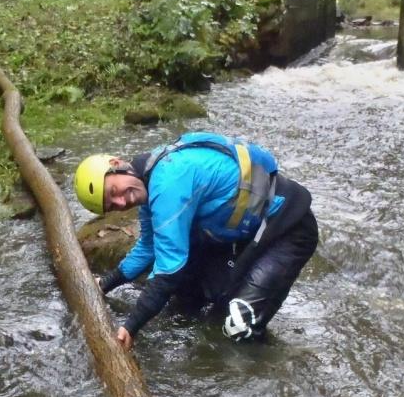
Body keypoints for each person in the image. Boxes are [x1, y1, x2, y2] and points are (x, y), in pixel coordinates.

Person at [73, 132, 319, 349]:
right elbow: (149, 248)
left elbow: (170, 269)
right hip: (246, 234)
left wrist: (130, 327)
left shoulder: (168, 180)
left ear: (116, 164)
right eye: (112, 206)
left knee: (238, 325)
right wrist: (106, 283)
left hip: (288, 228)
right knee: (190, 299)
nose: (121, 202)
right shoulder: (149, 182)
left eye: (113, 192)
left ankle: (273, 368)